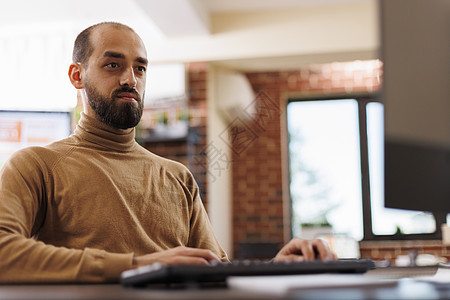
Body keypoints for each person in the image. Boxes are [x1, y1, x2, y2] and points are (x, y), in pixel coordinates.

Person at [0, 22, 336, 283]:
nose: (130, 79)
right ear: (77, 75)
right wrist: (138, 266)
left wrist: (276, 269)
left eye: (140, 68)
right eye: (113, 65)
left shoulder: (177, 177)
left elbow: (213, 272)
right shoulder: (35, 166)